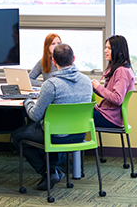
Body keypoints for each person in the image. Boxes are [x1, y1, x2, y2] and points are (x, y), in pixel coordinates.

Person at [10, 44, 93, 190]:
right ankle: (53, 169)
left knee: (17, 136)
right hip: (79, 134)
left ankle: (48, 172)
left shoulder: (51, 84)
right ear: (73, 58)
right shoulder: (87, 81)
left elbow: (35, 116)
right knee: (53, 131)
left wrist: (27, 101)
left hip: (57, 135)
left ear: (54, 61)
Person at [92, 35, 135, 129]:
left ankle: (70, 141)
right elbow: (109, 96)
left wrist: (98, 87)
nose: (105, 50)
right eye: (105, 47)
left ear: (119, 52)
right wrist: (94, 87)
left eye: (109, 48)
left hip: (110, 118)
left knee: (78, 115)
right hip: (108, 114)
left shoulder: (121, 71)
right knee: (82, 111)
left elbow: (117, 99)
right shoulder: (119, 69)